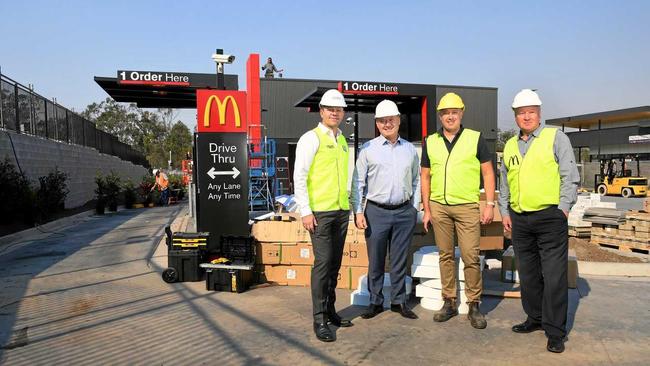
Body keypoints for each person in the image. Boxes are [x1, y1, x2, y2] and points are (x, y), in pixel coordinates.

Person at [499, 89, 579, 353]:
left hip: (550, 217)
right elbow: (505, 181)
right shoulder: (510, 145)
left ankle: (555, 331)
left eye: (531, 112)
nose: (526, 117)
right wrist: (504, 211)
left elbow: (570, 176)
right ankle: (534, 318)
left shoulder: (555, 138)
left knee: (555, 276)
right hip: (520, 219)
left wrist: (563, 210)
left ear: (539, 113)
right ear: (515, 116)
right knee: (529, 274)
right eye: (521, 113)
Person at [421, 92, 495, 329]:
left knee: (470, 256)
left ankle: (474, 304)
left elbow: (488, 173)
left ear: (461, 113)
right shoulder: (430, 141)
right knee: (445, 256)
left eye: (454, 112)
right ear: (440, 116)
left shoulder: (475, 138)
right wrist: (426, 208)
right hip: (439, 207)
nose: (450, 117)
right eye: (445, 113)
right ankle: (449, 302)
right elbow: (425, 176)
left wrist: (490, 204)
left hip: (466, 207)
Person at [351, 100, 420, 320]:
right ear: (377, 124)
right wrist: (358, 212)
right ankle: (375, 301)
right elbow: (358, 182)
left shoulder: (410, 150)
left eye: (391, 119)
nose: (387, 124)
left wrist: (413, 208)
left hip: (403, 212)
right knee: (376, 259)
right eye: (382, 120)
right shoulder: (368, 149)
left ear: (399, 120)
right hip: (376, 212)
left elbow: (417, 180)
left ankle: (399, 302)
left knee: (400, 259)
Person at [293, 89, 352, 342]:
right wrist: (305, 211)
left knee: (335, 264)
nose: (334, 112)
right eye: (330, 108)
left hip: (340, 211)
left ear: (343, 112)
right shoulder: (311, 138)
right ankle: (319, 319)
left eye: (338, 109)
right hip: (320, 213)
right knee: (323, 264)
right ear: (321, 111)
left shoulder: (342, 140)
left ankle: (330, 310)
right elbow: (300, 175)